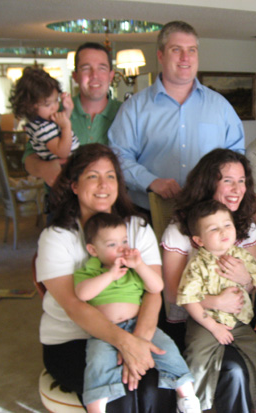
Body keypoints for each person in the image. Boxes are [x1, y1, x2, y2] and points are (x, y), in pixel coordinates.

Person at [35, 143, 176, 411]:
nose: (103, 184)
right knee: (118, 394)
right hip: (72, 339)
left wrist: (139, 341)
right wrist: (124, 343)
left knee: (158, 385)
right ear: (74, 185)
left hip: (136, 328)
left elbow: (153, 291)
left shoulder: (137, 228)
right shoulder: (56, 236)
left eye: (110, 176)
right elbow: (75, 306)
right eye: (92, 176)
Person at [161, 148, 256, 412]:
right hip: (192, 320)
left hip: (238, 317)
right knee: (230, 368)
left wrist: (245, 280)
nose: (237, 189)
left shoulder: (244, 226)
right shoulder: (181, 230)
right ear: (209, 183)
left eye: (242, 181)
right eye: (228, 181)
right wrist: (216, 303)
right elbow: (173, 294)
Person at [108, 21, 244, 211]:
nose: (185, 57)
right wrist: (151, 181)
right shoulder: (134, 108)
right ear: (160, 55)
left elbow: (237, 156)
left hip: (208, 213)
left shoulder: (221, 107)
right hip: (149, 211)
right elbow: (118, 157)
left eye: (191, 50)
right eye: (176, 49)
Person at [74, 212, 200, 413]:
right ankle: (96, 408)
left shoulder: (133, 270)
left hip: (137, 324)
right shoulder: (90, 272)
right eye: (112, 244)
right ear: (93, 250)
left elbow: (156, 286)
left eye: (124, 241)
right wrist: (110, 275)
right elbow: (82, 294)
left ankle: (187, 397)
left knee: (167, 349)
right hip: (105, 332)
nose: (122, 247)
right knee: (98, 363)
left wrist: (139, 265)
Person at [177, 200, 256, 412]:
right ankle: (197, 406)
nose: (223, 231)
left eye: (227, 225)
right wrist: (214, 328)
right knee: (198, 357)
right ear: (199, 240)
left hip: (239, 322)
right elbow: (188, 300)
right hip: (204, 322)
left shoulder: (242, 257)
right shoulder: (197, 264)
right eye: (213, 229)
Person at [24, 42, 121, 187]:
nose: (94, 75)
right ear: (75, 76)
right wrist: (44, 169)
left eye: (102, 68)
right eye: (86, 68)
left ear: (111, 75)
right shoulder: (52, 112)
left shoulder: (127, 112)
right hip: (61, 197)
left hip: (111, 198)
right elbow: (28, 159)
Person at [10, 67, 79, 162]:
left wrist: (68, 110)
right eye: (47, 104)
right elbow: (63, 152)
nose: (55, 107)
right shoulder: (42, 128)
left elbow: (59, 126)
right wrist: (66, 127)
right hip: (67, 165)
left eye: (56, 100)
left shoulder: (46, 120)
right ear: (30, 106)